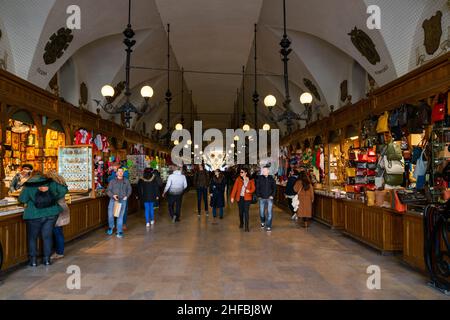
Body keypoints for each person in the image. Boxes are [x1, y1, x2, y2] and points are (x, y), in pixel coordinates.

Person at [18, 172, 68, 266]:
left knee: (32, 238)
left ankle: (33, 261)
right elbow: (64, 190)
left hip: (34, 214)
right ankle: (47, 260)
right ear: (42, 175)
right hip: (51, 213)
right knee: (47, 236)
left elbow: (22, 199)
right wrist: (53, 197)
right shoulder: (50, 182)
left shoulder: (28, 185)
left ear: (32, 176)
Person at [45, 170, 70, 260]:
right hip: (63, 206)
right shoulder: (62, 183)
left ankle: (59, 252)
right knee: (59, 231)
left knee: (57, 231)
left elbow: (52, 196)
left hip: (56, 208)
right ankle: (60, 251)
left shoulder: (52, 184)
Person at [106, 167, 132, 238]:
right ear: (116, 173)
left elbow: (129, 189)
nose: (120, 172)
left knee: (120, 216)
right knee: (110, 215)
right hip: (113, 200)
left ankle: (119, 231)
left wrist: (127, 196)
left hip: (122, 200)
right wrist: (112, 195)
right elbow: (108, 190)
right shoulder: (112, 181)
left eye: (122, 171)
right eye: (119, 171)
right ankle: (111, 227)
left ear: (123, 173)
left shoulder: (126, 181)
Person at [230, 167, 255, 232]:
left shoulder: (251, 180)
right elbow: (235, 188)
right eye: (240, 172)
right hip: (240, 198)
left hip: (247, 198)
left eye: (242, 172)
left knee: (246, 212)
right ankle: (241, 223)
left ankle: (246, 227)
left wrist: (249, 191)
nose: (240, 173)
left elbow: (253, 188)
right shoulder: (238, 179)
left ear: (246, 173)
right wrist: (232, 197)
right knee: (241, 212)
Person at [256, 164, 276, 232]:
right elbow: (257, 188)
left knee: (269, 212)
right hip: (262, 198)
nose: (264, 172)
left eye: (265, 170)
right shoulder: (260, 178)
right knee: (261, 212)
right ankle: (262, 221)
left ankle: (268, 225)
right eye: (263, 170)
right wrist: (258, 195)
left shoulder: (271, 178)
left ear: (268, 171)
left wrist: (272, 195)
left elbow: (274, 188)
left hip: (269, 198)